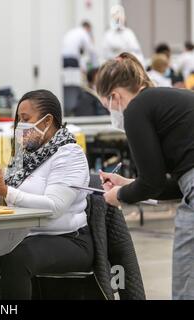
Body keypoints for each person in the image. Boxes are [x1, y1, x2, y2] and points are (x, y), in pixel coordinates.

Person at [0, 90, 93, 300]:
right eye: (18, 120)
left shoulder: (70, 154)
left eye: (25, 119)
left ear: (47, 121)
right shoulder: (25, 156)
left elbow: (53, 208)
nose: (19, 126)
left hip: (68, 239)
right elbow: (6, 203)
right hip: (22, 234)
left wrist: (4, 189)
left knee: (18, 258)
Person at [95, 52, 194, 300]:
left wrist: (118, 196)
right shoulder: (167, 99)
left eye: (107, 106)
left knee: (186, 288)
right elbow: (175, 185)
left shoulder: (137, 108)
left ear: (115, 96)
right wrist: (129, 185)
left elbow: (152, 183)